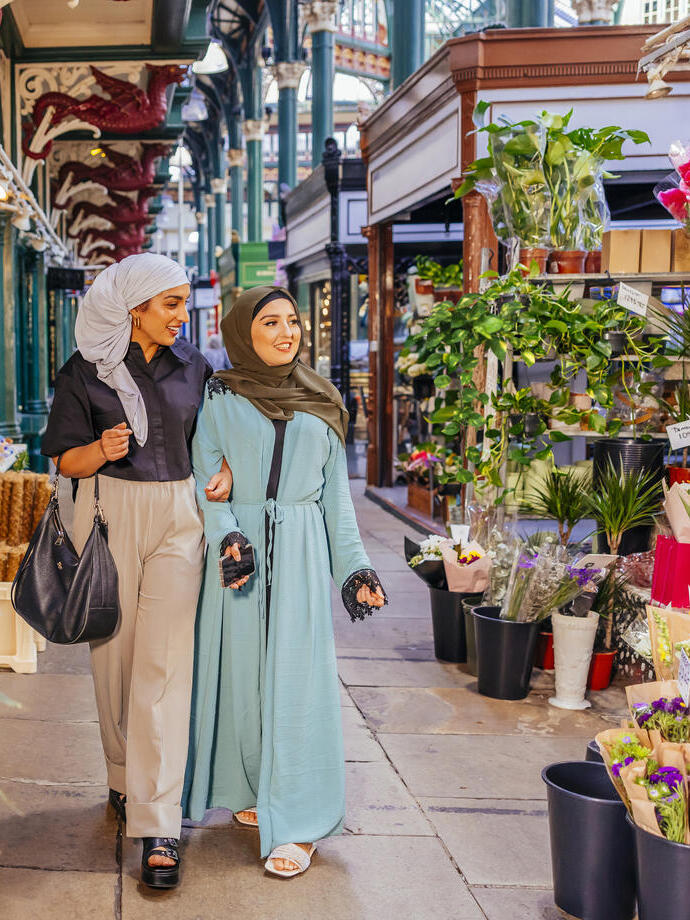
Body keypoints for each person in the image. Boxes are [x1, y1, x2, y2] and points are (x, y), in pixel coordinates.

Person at [41, 253, 233, 890]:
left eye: (183, 303)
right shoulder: (84, 372)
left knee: (165, 666)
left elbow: (213, 440)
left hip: (181, 513)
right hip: (109, 514)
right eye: (171, 304)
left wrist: (224, 469)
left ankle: (158, 824)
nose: (183, 315)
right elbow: (66, 462)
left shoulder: (197, 367)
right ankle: (124, 776)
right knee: (114, 662)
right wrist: (99, 449)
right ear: (135, 310)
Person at [183, 286, 387, 878]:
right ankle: (251, 788)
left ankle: (298, 823)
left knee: (298, 686)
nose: (286, 332)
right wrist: (226, 534)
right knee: (243, 682)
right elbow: (206, 478)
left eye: (293, 322)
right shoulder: (220, 394)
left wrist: (353, 570)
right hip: (240, 556)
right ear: (244, 331)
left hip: (298, 553)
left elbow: (335, 500)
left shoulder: (321, 397)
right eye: (270, 322)